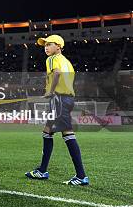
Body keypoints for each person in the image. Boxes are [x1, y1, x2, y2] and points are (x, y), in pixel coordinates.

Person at [25, 35, 89, 186]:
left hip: (59, 99)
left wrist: (50, 91)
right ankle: (42, 170)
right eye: (45, 45)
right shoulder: (67, 62)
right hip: (66, 99)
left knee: (67, 132)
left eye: (49, 44)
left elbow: (57, 73)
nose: (46, 47)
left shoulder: (52, 59)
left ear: (58, 46)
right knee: (47, 131)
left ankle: (81, 175)